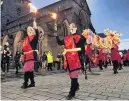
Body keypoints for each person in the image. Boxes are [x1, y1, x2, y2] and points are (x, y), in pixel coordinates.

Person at [55, 23, 86, 100]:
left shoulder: (80, 37)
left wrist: (67, 50)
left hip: (76, 59)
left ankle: (71, 93)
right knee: (71, 75)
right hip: (68, 59)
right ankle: (77, 85)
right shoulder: (67, 38)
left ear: (75, 28)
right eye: (70, 27)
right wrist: (56, 35)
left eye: (73, 26)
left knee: (74, 76)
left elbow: (81, 49)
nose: (71, 28)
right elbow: (59, 42)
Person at [20, 20, 39, 89]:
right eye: (28, 31)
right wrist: (22, 55)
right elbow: (23, 49)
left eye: (31, 30)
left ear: (33, 31)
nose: (30, 31)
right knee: (30, 70)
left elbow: (37, 35)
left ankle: (25, 83)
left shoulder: (34, 38)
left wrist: (35, 27)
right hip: (26, 56)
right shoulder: (26, 39)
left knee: (26, 69)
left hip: (31, 56)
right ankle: (32, 83)